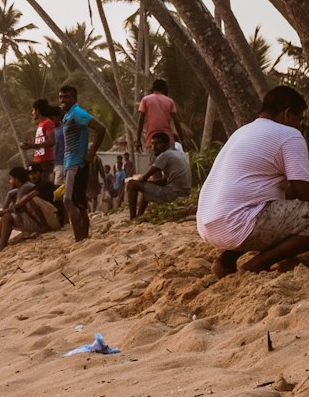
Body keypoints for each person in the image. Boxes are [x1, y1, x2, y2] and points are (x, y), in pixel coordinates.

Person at [197, 86, 309, 276]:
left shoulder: (243, 132)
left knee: (268, 209)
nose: (300, 125)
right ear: (287, 114)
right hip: (238, 225)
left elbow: (276, 191)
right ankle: (254, 266)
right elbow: (304, 194)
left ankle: (226, 260)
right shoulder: (289, 135)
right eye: (299, 119)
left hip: (208, 226)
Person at [57, 84, 107, 242]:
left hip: (76, 164)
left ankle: (79, 238)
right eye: (61, 97)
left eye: (67, 97)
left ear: (74, 98)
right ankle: (84, 238)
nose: (63, 100)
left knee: (68, 200)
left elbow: (100, 128)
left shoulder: (78, 113)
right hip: (72, 163)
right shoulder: (68, 115)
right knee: (80, 204)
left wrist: (91, 152)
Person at [0, 164, 60, 251]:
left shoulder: (42, 184)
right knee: (6, 216)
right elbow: (16, 204)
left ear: (16, 179)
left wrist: (2, 212)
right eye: (30, 174)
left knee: (8, 215)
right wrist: (3, 212)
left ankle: (1, 245)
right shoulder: (31, 187)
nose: (32, 177)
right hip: (45, 220)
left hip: (51, 221)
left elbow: (19, 205)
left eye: (35, 173)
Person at [126, 132, 193, 219]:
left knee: (131, 184)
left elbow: (143, 178)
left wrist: (137, 180)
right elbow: (165, 180)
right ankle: (139, 216)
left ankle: (132, 218)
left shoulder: (164, 155)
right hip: (184, 193)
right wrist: (149, 182)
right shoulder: (175, 153)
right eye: (153, 143)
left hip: (174, 194)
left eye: (158, 143)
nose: (154, 147)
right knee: (146, 186)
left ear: (166, 145)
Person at [136, 78, 186, 168]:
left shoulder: (145, 100)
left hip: (152, 140)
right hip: (168, 140)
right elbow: (176, 122)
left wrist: (138, 140)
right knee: (171, 168)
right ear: (164, 89)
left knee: (155, 168)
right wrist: (182, 140)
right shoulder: (170, 101)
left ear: (153, 89)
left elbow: (141, 120)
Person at [22, 99, 56, 186]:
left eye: (33, 110)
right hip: (39, 161)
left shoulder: (48, 123)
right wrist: (30, 145)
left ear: (38, 110)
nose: (32, 112)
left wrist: (32, 146)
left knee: (42, 186)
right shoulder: (41, 124)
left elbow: (52, 141)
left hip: (45, 161)